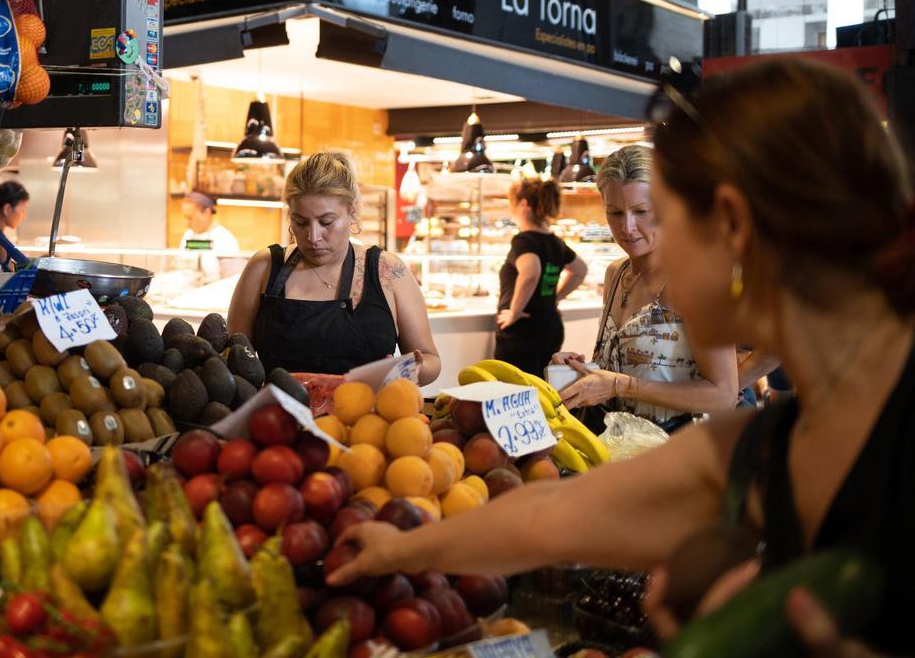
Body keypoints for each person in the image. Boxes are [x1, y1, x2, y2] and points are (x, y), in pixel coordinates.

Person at [328, 58, 914, 655]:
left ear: (732, 225)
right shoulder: (771, 444)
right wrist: (399, 550)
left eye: (666, 217)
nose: (642, 240)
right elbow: (555, 515)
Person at [551, 144, 738, 432]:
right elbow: (626, 366)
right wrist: (584, 370)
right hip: (614, 448)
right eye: (614, 212)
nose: (627, 227)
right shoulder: (616, 273)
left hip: (676, 456)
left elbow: (723, 394)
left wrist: (621, 386)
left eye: (642, 211)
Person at [228, 152, 441, 385]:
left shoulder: (387, 271)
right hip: (278, 417)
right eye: (300, 222)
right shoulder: (264, 268)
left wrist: (410, 369)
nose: (313, 236)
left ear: (352, 211)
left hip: (367, 418)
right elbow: (233, 357)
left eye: (326, 221)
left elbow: (431, 360)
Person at [494, 178, 587, 377]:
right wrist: (554, 298)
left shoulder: (524, 240)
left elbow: (531, 272)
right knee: (541, 390)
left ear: (524, 204)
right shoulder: (555, 242)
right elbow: (580, 271)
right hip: (549, 326)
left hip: (522, 332)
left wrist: (514, 311)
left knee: (515, 394)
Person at [179, 192, 241, 281]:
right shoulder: (188, 235)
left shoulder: (225, 239)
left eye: (190, 218)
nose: (187, 224)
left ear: (207, 213)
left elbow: (232, 279)